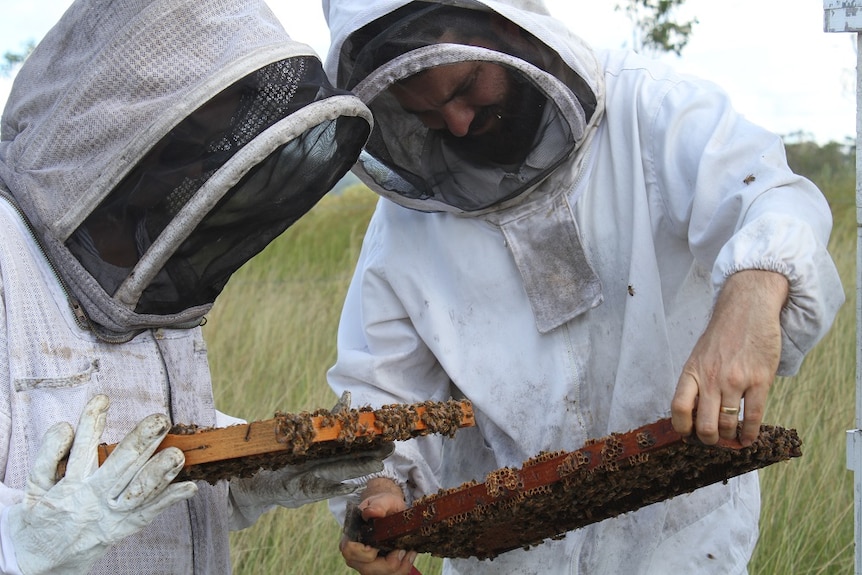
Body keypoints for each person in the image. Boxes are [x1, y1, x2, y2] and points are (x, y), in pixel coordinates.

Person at [320, 1, 846, 573]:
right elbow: (382, 387)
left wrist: (753, 291)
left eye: (467, 86)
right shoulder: (406, 221)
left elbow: (774, 196)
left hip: (680, 546)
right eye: (425, 113)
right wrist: (378, 487)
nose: (459, 123)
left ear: (503, 26)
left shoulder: (651, 110)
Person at [0, 0, 390, 572]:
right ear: (108, 128)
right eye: (181, 144)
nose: (192, 173)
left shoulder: (150, 269)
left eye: (215, 146)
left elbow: (161, 467)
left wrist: (257, 469)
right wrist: (19, 543)